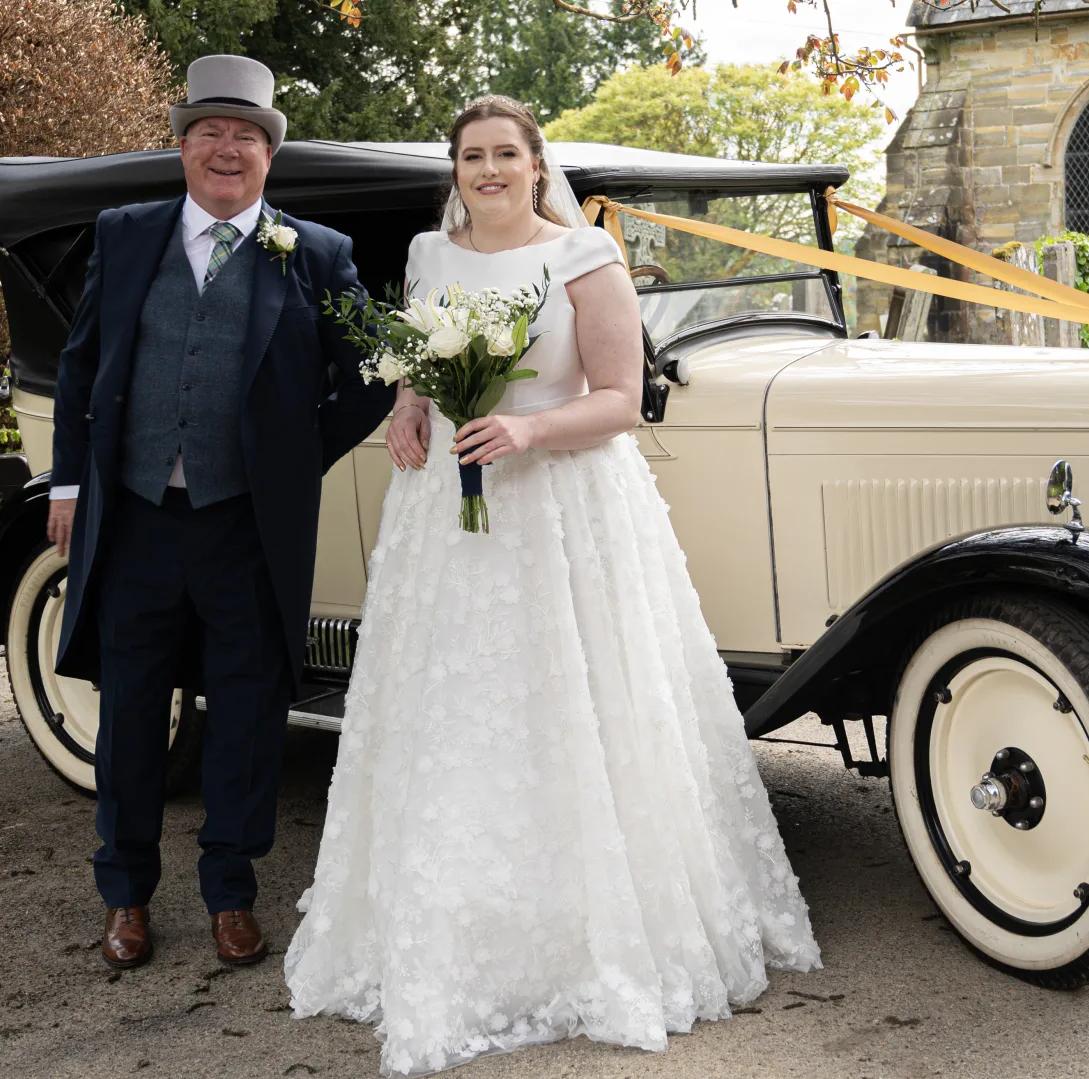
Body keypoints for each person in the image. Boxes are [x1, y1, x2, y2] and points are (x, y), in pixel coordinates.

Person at [283, 96, 820, 1075]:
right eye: (472, 156)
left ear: (537, 165)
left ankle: (593, 930)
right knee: (456, 712)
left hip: (564, 512)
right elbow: (418, 356)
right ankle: (453, 928)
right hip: (447, 511)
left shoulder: (585, 259)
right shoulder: (428, 253)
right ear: (456, 169)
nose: (489, 170)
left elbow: (618, 398)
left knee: (568, 705)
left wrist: (526, 429)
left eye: (506, 154)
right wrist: (408, 406)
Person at [46, 55, 395, 970]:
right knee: (129, 713)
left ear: (269, 155)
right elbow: (81, 368)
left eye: (246, 136)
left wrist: (289, 459)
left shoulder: (314, 252)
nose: (228, 150)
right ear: (184, 145)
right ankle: (124, 895)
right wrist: (71, 486)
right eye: (211, 133)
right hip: (133, 521)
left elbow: (371, 372)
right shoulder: (125, 234)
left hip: (246, 527)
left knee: (245, 713)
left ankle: (230, 894)